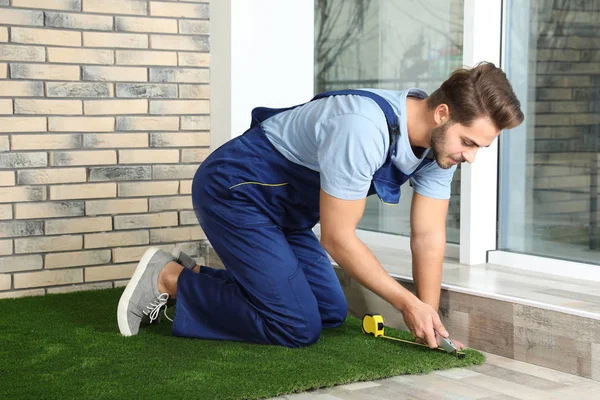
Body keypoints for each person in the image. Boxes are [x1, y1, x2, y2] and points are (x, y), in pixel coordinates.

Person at [117, 62, 524, 349]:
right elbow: (337, 238)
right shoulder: (363, 127)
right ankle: (169, 279)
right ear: (442, 113)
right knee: (296, 326)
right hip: (236, 192)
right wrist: (406, 302)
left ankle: (199, 275)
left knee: (329, 311)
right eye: (469, 143)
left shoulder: (440, 148)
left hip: (287, 215)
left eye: (480, 148)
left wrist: (428, 316)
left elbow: (428, 236)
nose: (470, 156)